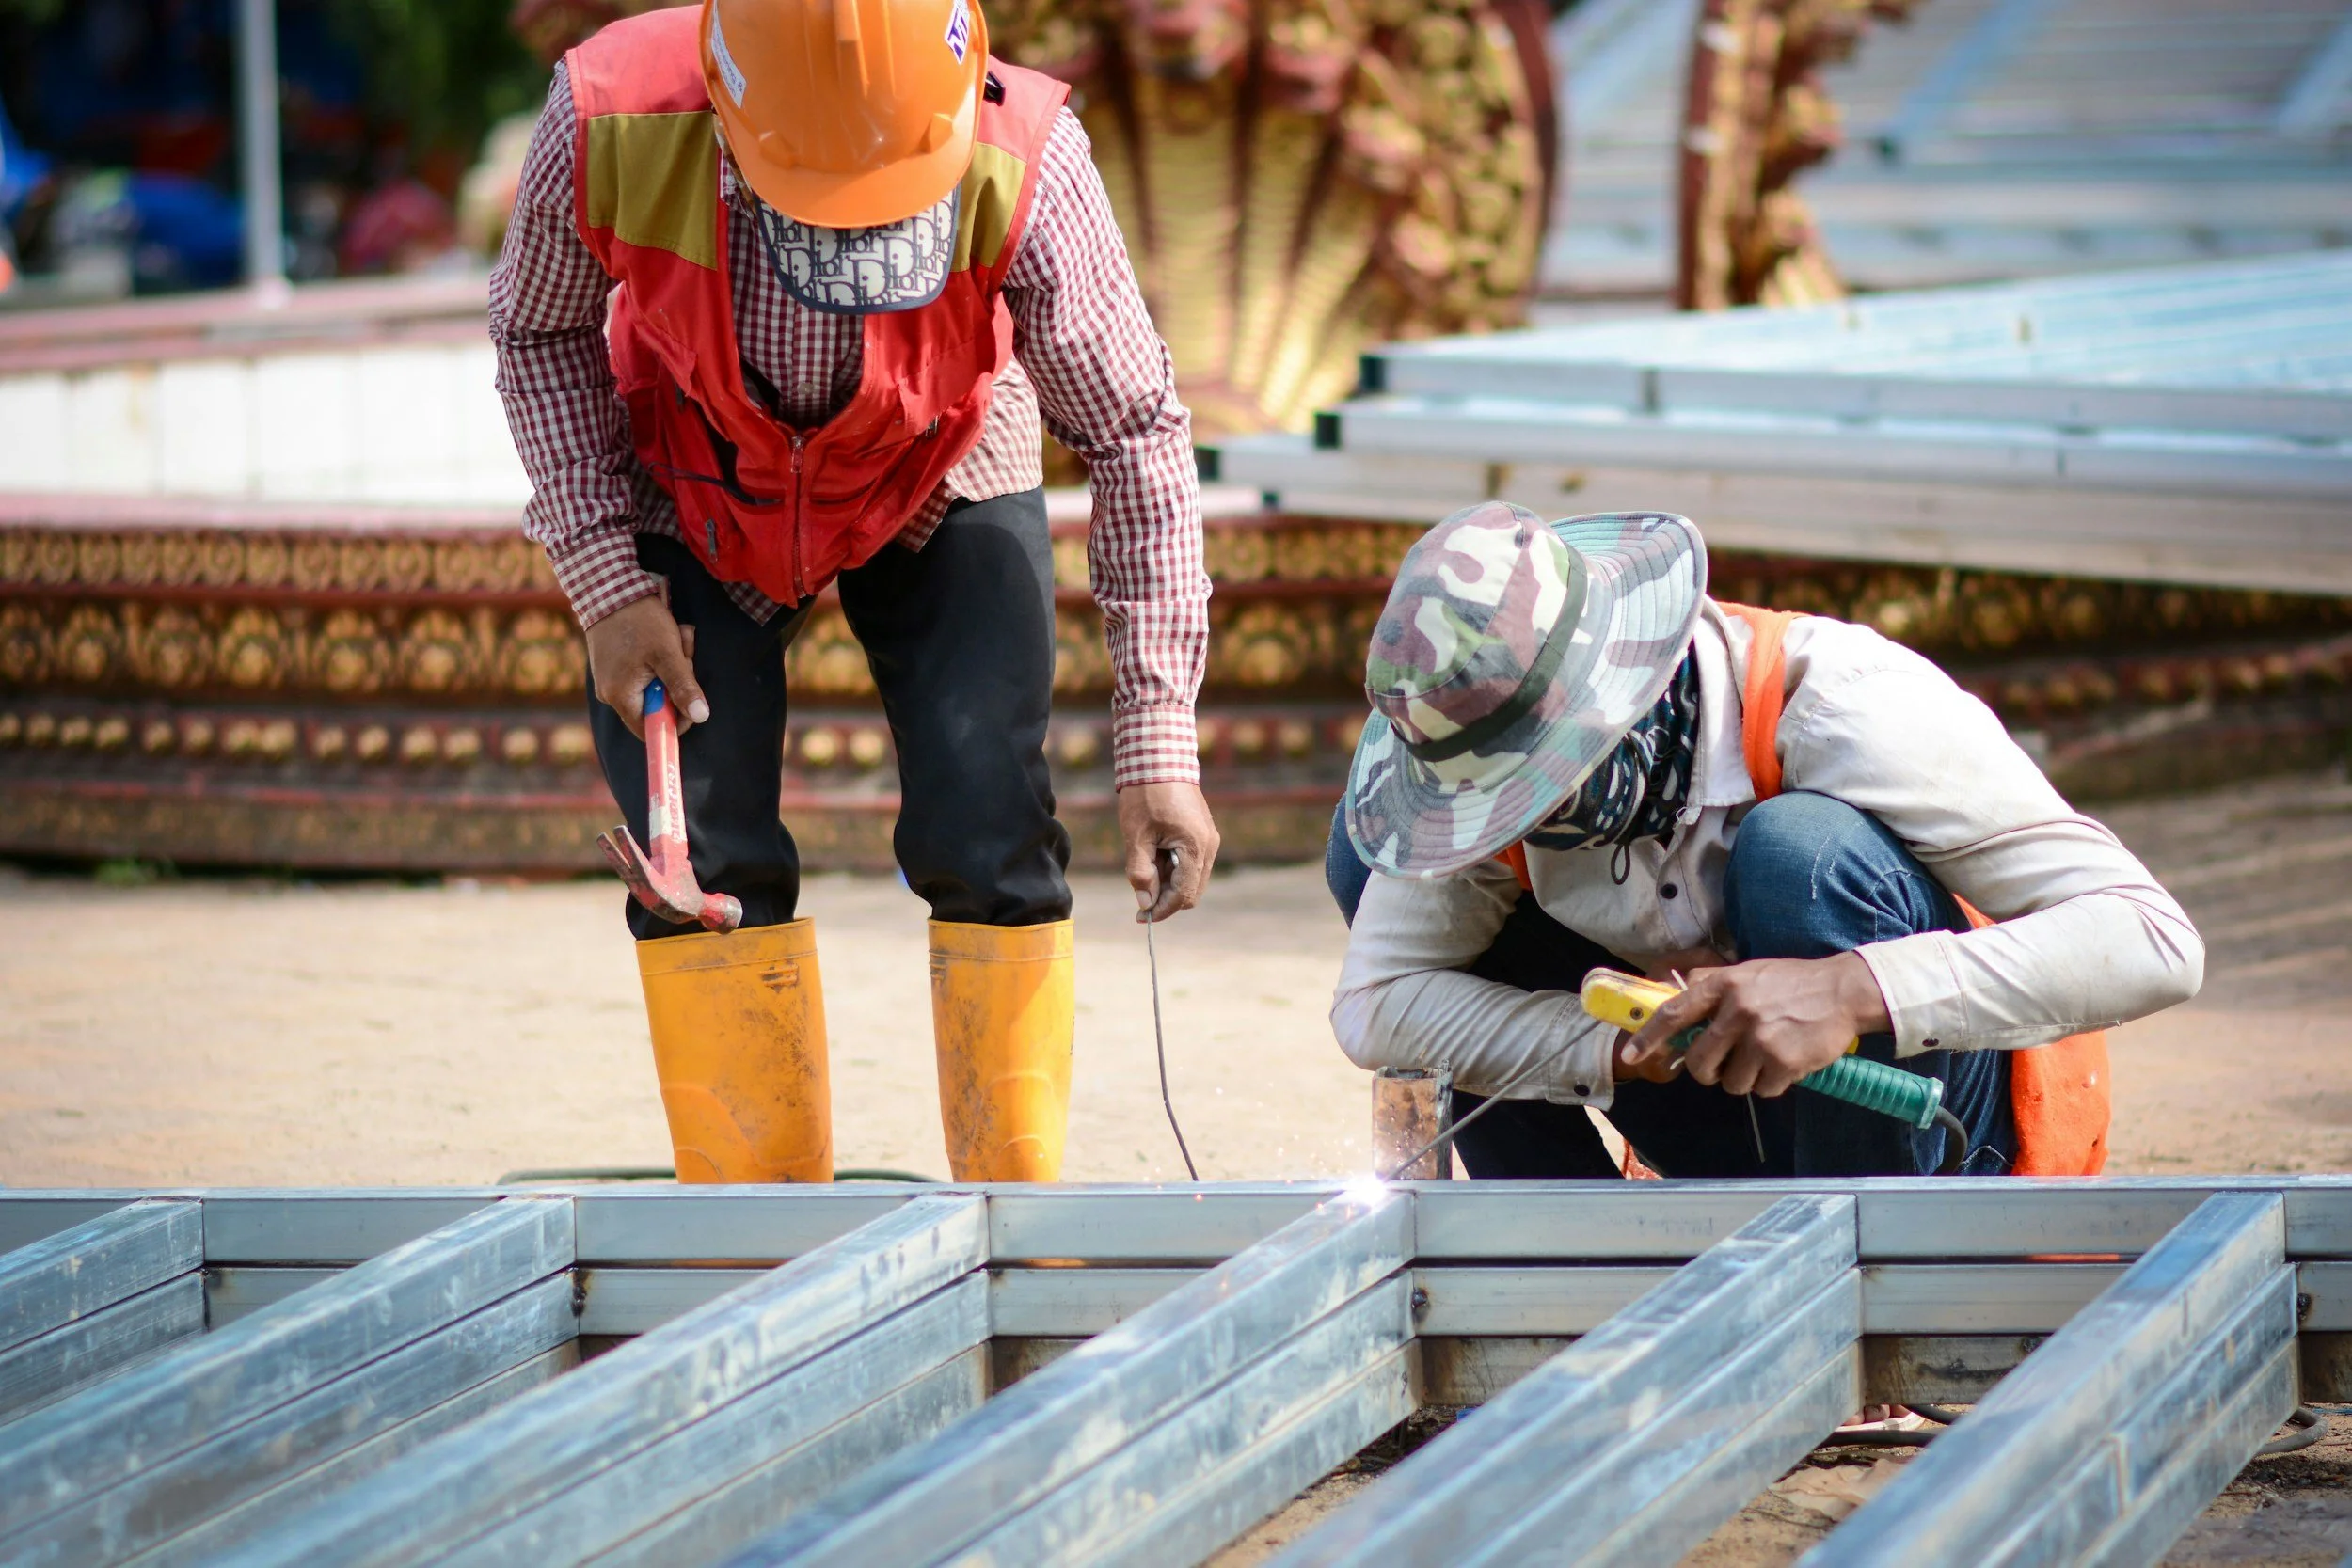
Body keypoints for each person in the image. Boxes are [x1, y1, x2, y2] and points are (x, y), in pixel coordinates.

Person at [488, 0, 1217, 1185]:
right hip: (691, 475)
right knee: (701, 862)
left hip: (939, 457)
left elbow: (1134, 431)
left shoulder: (1022, 149)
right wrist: (606, 583)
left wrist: (1158, 745)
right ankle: (755, 1228)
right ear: (726, 128)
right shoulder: (608, 116)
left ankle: (1009, 1211)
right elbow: (539, 333)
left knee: (989, 819)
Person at [1325, 502, 2201, 1179]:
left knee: (1801, 856)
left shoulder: (1844, 701)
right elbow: (1375, 1003)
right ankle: (1577, 1284)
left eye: (1530, 788)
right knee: (1364, 860)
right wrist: (1607, 1047)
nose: (1505, 823)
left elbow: (2155, 943)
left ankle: (1868, 1283)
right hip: (1721, 1117)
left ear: (1619, 697)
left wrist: (1848, 993)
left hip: (1934, 1123)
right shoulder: (1477, 777)